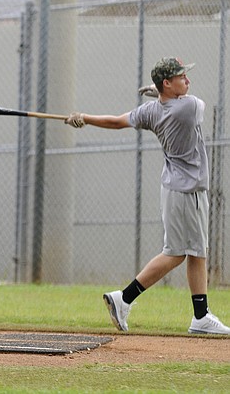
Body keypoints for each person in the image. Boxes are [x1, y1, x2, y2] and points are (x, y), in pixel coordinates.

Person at [65, 57, 229, 335]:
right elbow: (189, 102)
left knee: (196, 252)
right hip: (187, 190)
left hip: (177, 187)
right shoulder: (188, 107)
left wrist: (86, 118)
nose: (187, 81)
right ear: (167, 83)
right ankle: (125, 298)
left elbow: (117, 122)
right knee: (178, 253)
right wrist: (162, 95)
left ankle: (200, 316)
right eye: (181, 77)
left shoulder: (152, 110)